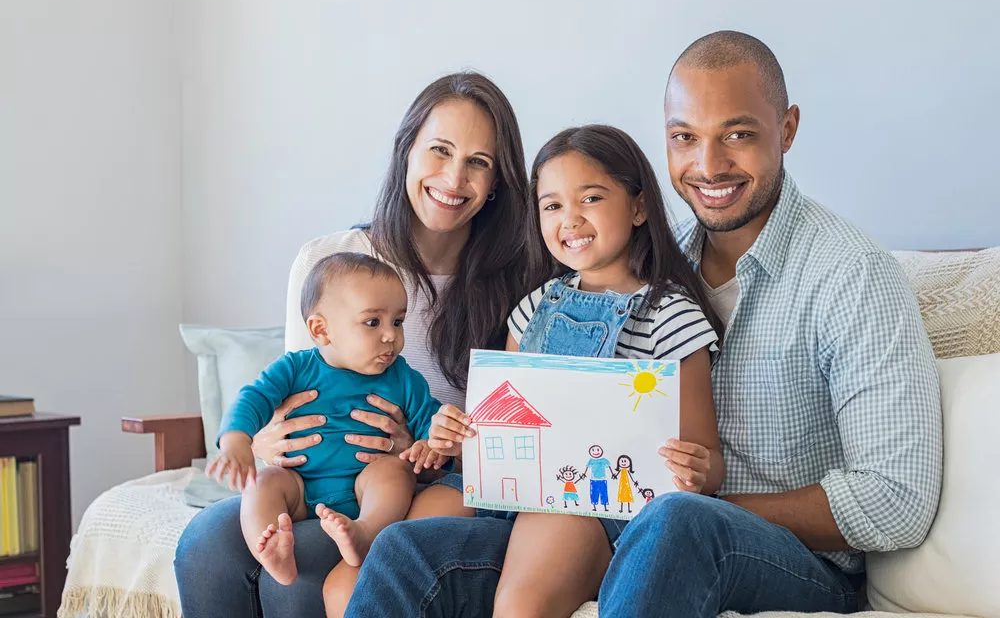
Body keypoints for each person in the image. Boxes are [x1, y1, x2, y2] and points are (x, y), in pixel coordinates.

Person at [597, 31, 943, 616]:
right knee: (420, 548)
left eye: (737, 134)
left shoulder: (853, 275)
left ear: (786, 130)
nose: (708, 166)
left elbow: (897, 500)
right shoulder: (648, 268)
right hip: (642, 533)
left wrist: (707, 510)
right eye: (685, 138)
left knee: (680, 522)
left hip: (802, 566)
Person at [174, 71, 534, 618]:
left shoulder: (518, 278)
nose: (454, 177)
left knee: (298, 582)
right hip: (318, 469)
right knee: (203, 547)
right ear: (406, 150)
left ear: (498, 181)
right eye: (439, 150)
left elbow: (507, 425)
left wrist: (424, 444)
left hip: (421, 482)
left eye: (478, 162)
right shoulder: (333, 259)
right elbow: (299, 387)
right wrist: (260, 441)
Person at [382, 124, 725, 617]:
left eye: (590, 198)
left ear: (638, 206)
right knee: (403, 543)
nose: (571, 220)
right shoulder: (532, 309)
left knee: (522, 604)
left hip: (595, 507)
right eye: (552, 205)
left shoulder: (670, 317)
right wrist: (456, 439)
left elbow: (708, 464)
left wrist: (697, 470)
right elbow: (498, 427)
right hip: (510, 493)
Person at [207, 253, 447, 585]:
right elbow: (255, 397)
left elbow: (429, 426)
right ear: (321, 330)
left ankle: (365, 533)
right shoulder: (295, 368)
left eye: (398, 321)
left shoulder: (404, 378)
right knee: (263, 483)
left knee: (394, 471)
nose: (391, 335)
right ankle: (272, 548)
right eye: (373, 322)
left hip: (366, 489)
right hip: (300, 489)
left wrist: (430, 445)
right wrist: (237, 439)